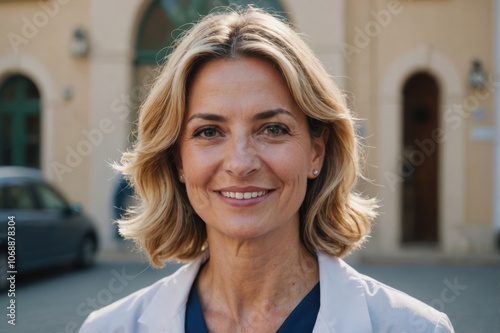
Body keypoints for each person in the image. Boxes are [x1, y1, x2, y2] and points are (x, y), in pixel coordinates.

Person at [80, 7, 454, 333]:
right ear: (178, 160)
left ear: (316, 153)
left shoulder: (414, 328)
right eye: (209, 132)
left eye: (273, 129)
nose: (241, 163)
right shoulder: (109, 328)